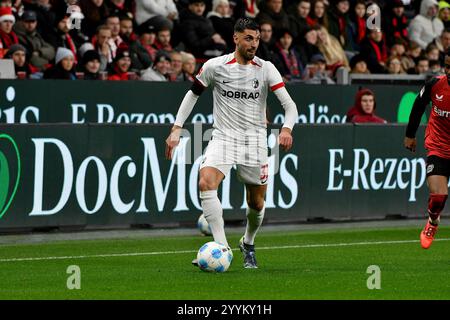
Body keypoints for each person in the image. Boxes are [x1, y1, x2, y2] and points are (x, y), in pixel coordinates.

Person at [165, 18, 298, 269]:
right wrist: (176, 128)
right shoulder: (215, 66)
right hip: (223, 137)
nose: (254, 44)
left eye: (257, 39)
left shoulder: (266, 68)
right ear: (235, 38)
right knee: (205, 181)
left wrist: (286, 128)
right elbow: (193, 94)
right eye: (249, 38)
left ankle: (248, 242)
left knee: (256, 203)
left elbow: (290, 106)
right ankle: (222, 248)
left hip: (255, 141)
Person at [404, 49, 450, 249]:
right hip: (438, 146)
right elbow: (418, 105)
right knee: (438, 196)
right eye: (448, 66)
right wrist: (410, 134)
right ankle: (432, 222)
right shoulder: (435, 84)